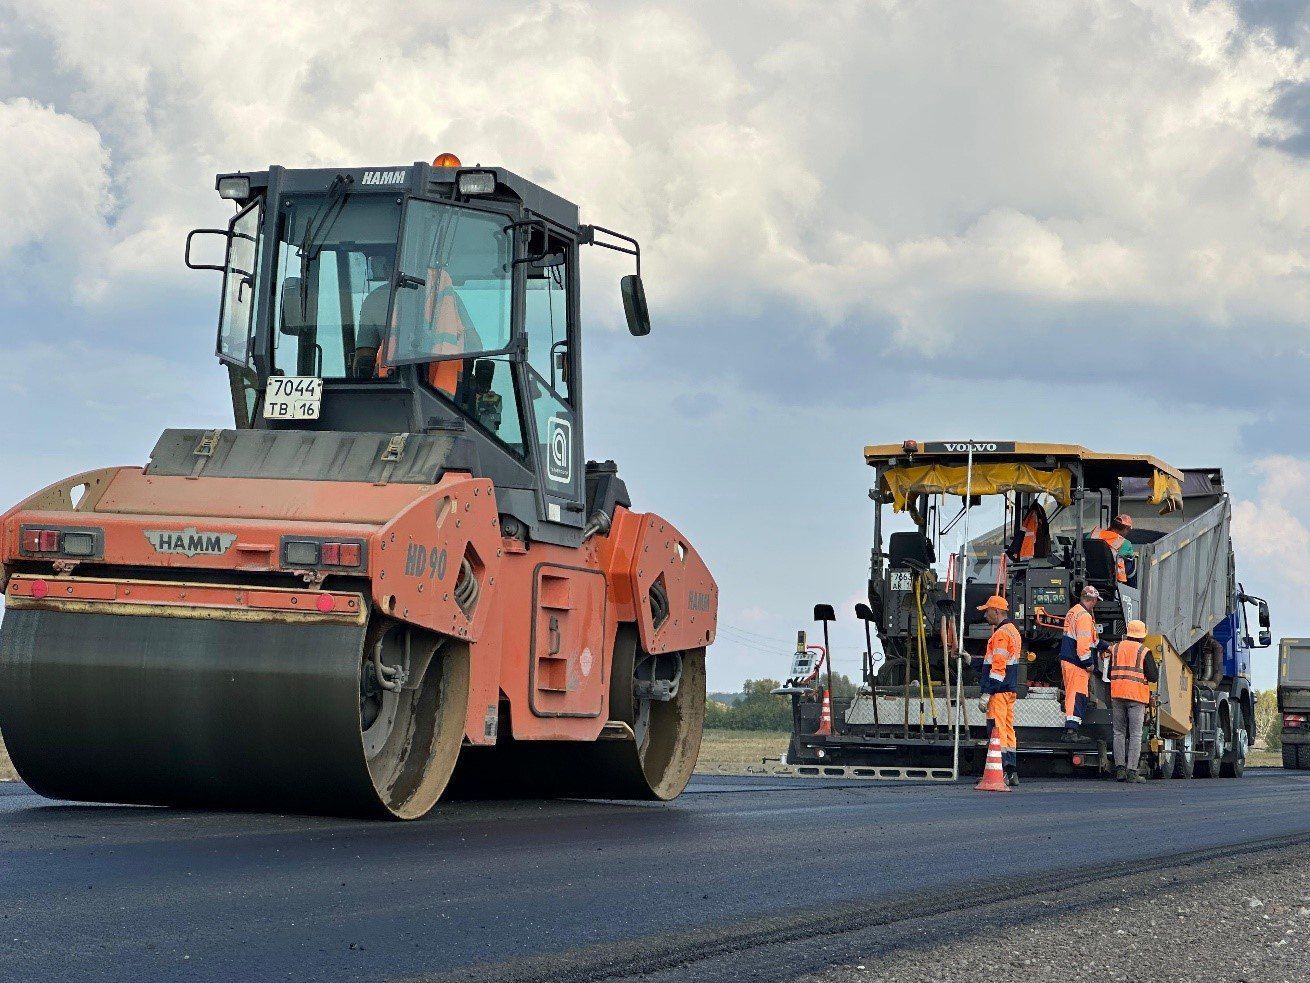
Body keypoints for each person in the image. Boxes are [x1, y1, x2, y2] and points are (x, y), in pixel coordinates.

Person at [973, 595, 1022, 787]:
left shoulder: (1001, 634)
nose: (985, 615)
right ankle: (1010, 772)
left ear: (997, 611)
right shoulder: (1013, 632)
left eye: (987, 611)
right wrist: (971, 661)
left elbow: (998, 668)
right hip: (1008, 690)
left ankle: (998, 772)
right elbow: (992, 662)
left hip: (999, 692)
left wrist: (987, 693)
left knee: (997, 732)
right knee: (1008, 732)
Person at [1108, 619, 1159, 782]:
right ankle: (1132, 772)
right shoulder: (1144, 651)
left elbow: (1110, 672)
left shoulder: (1115, 648)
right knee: (1136, 734)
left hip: (1117, 695)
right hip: (1136, 697)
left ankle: (1120, 770)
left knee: (1118, 732)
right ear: (1142, 635)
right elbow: (1153, 676)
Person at [1060, 585, 1108, 740]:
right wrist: (1088, 663)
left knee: (1073, 694)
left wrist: (1105, 646)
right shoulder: (1085, 617)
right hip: (1077, 664)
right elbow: (1082, 646)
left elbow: (1089, 640)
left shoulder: (1074, 612)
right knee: (1077, 695)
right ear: (1093, 600)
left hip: (1069, 661)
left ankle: (1071, 730)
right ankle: (1071, 731)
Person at [1092, 514, 1136, 584]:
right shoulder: (1125, 543)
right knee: (1131, 560)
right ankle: (1133, 591)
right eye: (1128, 530)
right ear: (1126, 528)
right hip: (1111, 576)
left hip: (1090, 572)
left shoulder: (1094, 534)